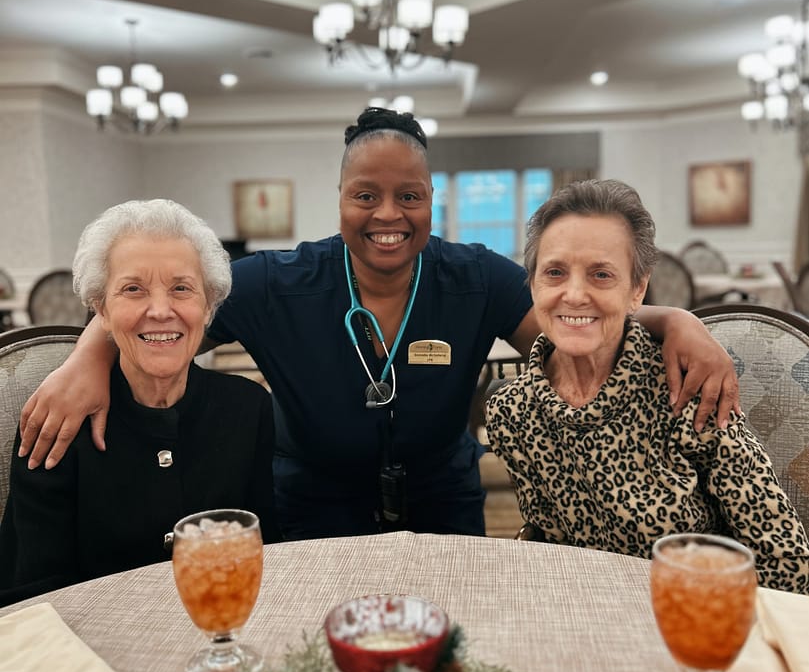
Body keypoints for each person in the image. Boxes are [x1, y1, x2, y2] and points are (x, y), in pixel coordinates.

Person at [18, 109, 739, 541]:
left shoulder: (476, 275)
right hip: (310, 513)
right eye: (366, 194)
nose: (387, 215)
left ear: (432, 200)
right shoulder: (276, 280)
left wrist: (671, 316)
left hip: (446, 508)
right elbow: (161, 318)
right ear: (339, 199)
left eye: (409, 196)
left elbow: (576, 323)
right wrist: (88, 354)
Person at [485, 179, 809, 592]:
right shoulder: (512, 412)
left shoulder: (686, 388)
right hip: (581, 614)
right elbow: (546, 540)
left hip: (697, 616)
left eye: (601, 274)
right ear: (532, 284)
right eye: (555, 272)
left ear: (637, 289)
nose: (575, 294)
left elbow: (785, 564)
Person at [0, 199, 278, 605]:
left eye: (182, 288)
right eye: (133, 289)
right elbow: (31, 597)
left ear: (208, 306)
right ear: (102, 310)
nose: (161, 311)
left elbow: (265, 553)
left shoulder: (249, 409)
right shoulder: (56, 421)